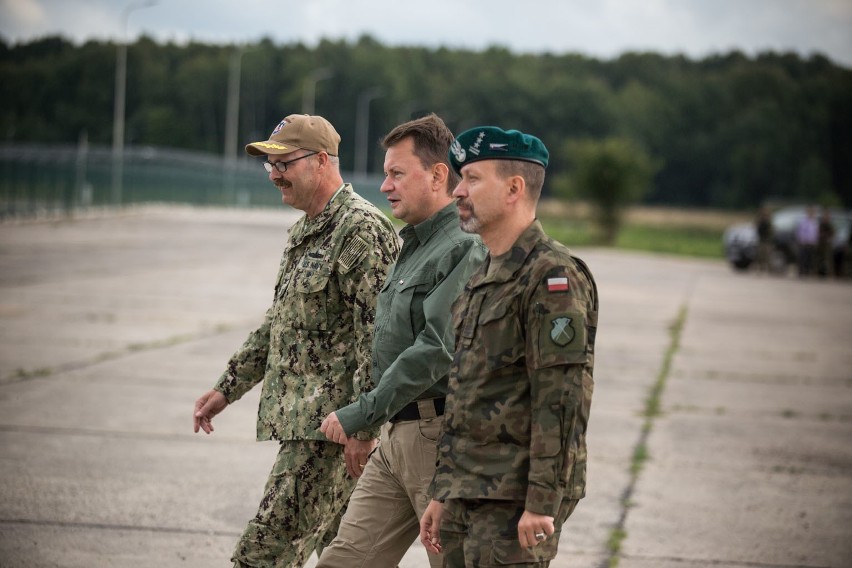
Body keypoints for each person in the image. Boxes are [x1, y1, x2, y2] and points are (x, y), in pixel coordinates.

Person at [192, 113, 400, 567]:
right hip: (310, 428)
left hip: (332, 434)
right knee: (349, 559)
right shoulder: (307, 231)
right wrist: (227, 388)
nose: (275, 175)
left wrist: (363, 429)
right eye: (271, 166)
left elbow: (378, 338)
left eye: (284, 163)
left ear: (321, 161)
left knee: (263, 553)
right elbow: (280, 323)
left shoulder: (361, 230)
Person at [419, 126, 599, 567]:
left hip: (513, 497)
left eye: (473, 179)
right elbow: (466, 393)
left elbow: (560, 400)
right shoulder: (484, 274)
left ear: (514, 188)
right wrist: (443, 491)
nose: (458, 190)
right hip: (468, 490)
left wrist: (540, 501)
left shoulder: (552, 277)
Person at [316, 114, 486, 567]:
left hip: (438, 439)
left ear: (437, 175)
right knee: (343, 560)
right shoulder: (413, 243)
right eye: (386, 173)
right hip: (395, 436)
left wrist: (362, 412)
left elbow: (437, 348)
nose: (386, 186)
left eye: (397, 174)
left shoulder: (464, 247)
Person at [795, 206, 819, 277]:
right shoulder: (803, 222)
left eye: (812, 213)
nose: (811, 214)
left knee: (810, 258)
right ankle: (802, 272)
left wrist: (815, 241)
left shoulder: (815, 222)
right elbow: (800, 232)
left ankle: (808, 272)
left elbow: (816, 233)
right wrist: (802, 240)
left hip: (812, 243)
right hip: (804, 243)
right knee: (803, 258)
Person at [816, 208, 835, 277]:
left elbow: (832, 234)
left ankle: (829, 274)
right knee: (819, 259)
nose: (826, 217)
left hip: (827, 244)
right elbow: (818, 233)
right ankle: (818, 273)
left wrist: (828, 236)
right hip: (821, 244)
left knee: (828, 259)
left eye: (827, 216)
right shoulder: (821, 224)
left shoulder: (830, 225)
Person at [754, 206, 773, 274]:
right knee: (760, 255)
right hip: (761, 240)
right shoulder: (760, 220)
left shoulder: (768, 220)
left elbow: (771, 231)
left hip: (767, 240)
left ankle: (770, 269)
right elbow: (757, 228)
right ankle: (760, 268)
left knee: (768, 255)